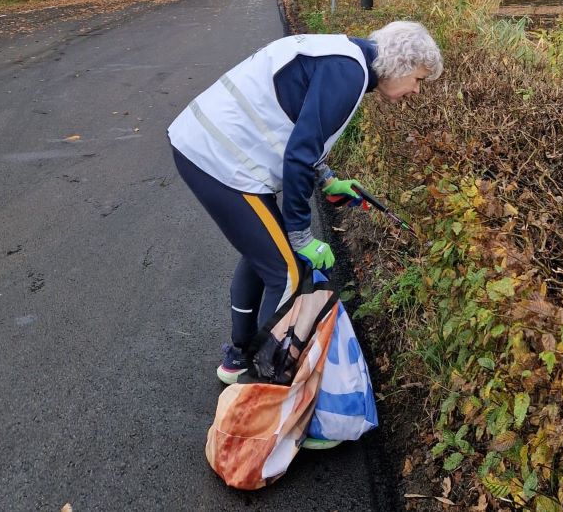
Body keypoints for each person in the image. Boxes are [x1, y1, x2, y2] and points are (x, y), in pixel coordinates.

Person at [167, 21, 443, 385]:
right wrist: (302, 236)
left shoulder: (345, 60)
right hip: (221, 159)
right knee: (287, 272)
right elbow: (298, 156)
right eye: (418, 79)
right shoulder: (349, 75)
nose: (416, 90)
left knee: (266, 254)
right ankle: (262, 385)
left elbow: (303, 129)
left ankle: (239, 356)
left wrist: (328, 179)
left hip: (209, 146)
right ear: (402, 64)